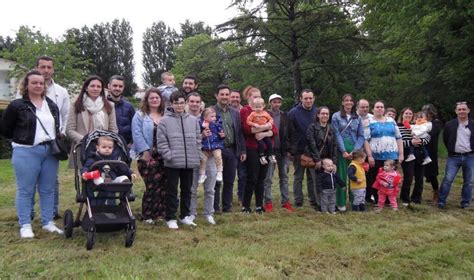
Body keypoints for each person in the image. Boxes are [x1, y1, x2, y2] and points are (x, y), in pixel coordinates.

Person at [2, 69, 63, 238]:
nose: (38, 86)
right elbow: (6, 129)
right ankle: (25, 224)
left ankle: (48, 222)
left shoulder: (51, 105)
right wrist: (22, 140)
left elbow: (56, 126)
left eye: (41, 83)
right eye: (34, 83)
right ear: (26, 85)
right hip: (26, 151)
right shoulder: (17, 105)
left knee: (48, 189)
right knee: (25, 190)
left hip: (50, 152)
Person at [26, 56, 70, 220]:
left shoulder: (61, 91)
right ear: (37, 67)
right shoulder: (25, 89)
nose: (46, 70)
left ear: (53, 69)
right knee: (29, 180)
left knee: (52, 180)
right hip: (30, 141)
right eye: (42, 67)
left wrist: (62, 133)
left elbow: (65, 115)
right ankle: (28, 213)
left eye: (49, 67)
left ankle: (52, 211)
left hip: (53, 141)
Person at [157, 91, 202, 229]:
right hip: (173, 163)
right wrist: (169, 155)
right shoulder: (164, 121)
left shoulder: (193, 120)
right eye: (176, 103)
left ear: (185, 103)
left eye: (182, 102)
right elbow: (161, 142)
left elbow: (198, 139)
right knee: (171, 190)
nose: (179, 105)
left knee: (187, 190)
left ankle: (185, 215)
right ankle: (170, 217)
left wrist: (197, 154)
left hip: (189, 162)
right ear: (171, 104)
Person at [131, 87, 167, 224]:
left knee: (164, 185)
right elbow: (137, 134)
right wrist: (145, 152)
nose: (154, 100)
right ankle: (148, 214)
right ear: (146, 99)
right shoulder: (140, 115)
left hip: (164, 154)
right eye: (151, 97)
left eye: (157, 97)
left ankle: (161, 213)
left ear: (161, 99)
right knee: (152, 185)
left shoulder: (166, 114)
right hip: (148, 155)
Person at [66, 75, 118, 168]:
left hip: (103, 149)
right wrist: (86, 140)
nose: (95, 88)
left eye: (98, 86)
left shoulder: (109, 105)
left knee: (104, 179)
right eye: (92, 86)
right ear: (86, 87)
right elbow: (70, 129)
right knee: (86, 178)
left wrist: (105, 142)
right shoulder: (75, 104)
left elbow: (113, 129)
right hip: (82, 147)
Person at [240, 86, 277, 213]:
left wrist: (264, 133)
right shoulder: (245, 111)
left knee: (262, 178)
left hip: (266, 148)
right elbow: (247, 129)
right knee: (252, 177)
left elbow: (275, 130)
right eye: (254, 96)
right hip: (252, 148)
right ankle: (245, 205)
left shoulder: (265, 112)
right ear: (248, 97)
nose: (257, 99)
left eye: (259, 96)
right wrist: (266, 127)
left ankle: (259, 205)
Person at [212, 85, 246, 213]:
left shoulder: (235, 113)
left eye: (227, 94)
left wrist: (242, 150)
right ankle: (215, 207)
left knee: (229, 179)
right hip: (217, 150)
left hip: (232, 149)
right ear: (217, 96)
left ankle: (227, 206)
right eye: (222, 94)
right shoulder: (211, 111)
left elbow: (239, 133)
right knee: (216, 180)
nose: (225, 97)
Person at [186, 93, 217, 225]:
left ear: (200, 103)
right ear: (188, 102)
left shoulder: (207, 117)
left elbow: (216, 132)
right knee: (192, 189)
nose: (194, 104)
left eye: (197, 101)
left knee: (210, 188)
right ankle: (192, 212)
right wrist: (201, 135)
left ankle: (209, 213)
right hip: (191, 157)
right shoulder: (183, 118)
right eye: (192, 101)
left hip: (208, 157)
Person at [365, 101, 404, 205]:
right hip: (376, 156)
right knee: (376, 178)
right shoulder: (368, 121)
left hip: (391, 156)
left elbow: (399, 138)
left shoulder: (391, 120)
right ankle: (377, 199)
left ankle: (389, 199)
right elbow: (366, 140)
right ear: (373, 110)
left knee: (390, 177)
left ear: (384, 109)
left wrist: (401, 154)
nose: (379, 109)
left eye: (381, 107)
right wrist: (369, 156)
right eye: (377, 107)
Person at [331, 94, 365, 211]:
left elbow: (361, 135)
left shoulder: (358, 118)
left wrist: (355, 151)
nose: (349, 102)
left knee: (354, 175)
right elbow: (337, 134)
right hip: (342, 149)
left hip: (355, 148)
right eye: (346, 100)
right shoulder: (336, 116)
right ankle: (341, 203)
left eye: (351, 100)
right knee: (341, 176)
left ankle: (355, 201)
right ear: (342, 102)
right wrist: (344, 150)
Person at [438, 102, 473, 209]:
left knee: (469, 181)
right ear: (456, 111)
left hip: (470, 156)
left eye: (464, 109)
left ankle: (465, 202)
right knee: (448, 179)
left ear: (468, 111)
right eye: (459, 109)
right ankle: (441, 201)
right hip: (454, 157)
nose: (462, 111)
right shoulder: (449, 124)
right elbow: (446, 139)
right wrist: (451, 149)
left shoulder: (473, 124)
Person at [81, 136, 135, 205]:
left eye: (110, 148)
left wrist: (130, 173)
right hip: (98, 179)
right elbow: (86, 166)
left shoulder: (115, 158)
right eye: (104, 147)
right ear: (98, 148)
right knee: (97, 178)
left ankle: (124, 182)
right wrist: (84, 173)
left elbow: (123, 168)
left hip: (112, 179)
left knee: (124, 177)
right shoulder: (93, 158)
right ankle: (103, 184)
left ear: (113, 148)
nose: (107, 149)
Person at [263, 94, 293, 213]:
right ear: (270, 103)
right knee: (268, 178)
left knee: (284, 177)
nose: (276, 104)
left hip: (283, 151)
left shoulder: (285, 116)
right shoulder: (265, 115)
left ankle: (285, 201)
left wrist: (290, 150)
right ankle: (268, 202)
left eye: (278, 102)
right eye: (274, 102)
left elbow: (290, 133)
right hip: (270, 150)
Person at [288, 89, 318, 207]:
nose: (308, 100)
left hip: (314, 150)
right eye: (306, 98)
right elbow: (289, 132)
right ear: (301, 99)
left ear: (313, 98)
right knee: (298, 176)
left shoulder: (317, 111)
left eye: (310, 98)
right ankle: (298, 199)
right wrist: (291, 150)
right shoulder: (293, 113)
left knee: (312, 177)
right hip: (298, 150)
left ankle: (313, 199)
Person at [305, 106, 338, 210]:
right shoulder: (312, 127)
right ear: (318, 115)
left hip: (328, 160)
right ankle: (319, 204)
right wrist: (317, 159)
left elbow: (334, 145)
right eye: (322, 113)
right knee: (317, 182)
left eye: (327, 114)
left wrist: (334, 162)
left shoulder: (331, 128)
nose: (325, 115)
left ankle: (329, 204)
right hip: (316, 159)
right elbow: (311, 143)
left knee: (328, 182)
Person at [397, 107, 431, 206]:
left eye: (410, 114)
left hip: (420, 152)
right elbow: (398, 142)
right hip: (407, 153)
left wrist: (421, 141)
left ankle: (416, 198)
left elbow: (428, 137)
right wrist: (410, 142)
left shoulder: (417, 125)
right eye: (406, 113)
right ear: (402, 114)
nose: (408, 115)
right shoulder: (398, 127)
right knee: (409, 177)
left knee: (420, 178)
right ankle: (405, 198)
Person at [422, 104, 443, 204]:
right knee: (420, 173)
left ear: (432, 113)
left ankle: (436, 192)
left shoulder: (436, 123)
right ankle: (418, 194)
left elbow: (431, 134)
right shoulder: (422, 121)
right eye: (425, 113)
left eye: (429, 113)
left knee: (432, 174)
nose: (427, 115)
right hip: (421, 150)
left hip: (431, 151)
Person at [246, 97, 276, 165]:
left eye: (259, 107)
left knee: (269, 143)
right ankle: (262, 156)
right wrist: (254, 124)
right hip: (258, 131)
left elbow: (271, 119)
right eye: (256, 107)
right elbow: (248, 121)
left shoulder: (265, 113)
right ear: (253, 107)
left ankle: (271, 155)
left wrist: (269, 123)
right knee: (261, 144)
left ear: (263, 106)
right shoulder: (253, 114)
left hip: (265, 131)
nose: (258, 108)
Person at [107, 75, 135, 147]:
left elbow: (135, 127)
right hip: (106, 147)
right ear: (109, 86)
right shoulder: (102, 105)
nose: (117, 88)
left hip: (125, 146)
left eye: (120, 86)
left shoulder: (129, 107)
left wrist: (131, 143)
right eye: (115, 86)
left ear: (123, 88)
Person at [198, 107, 224, 183]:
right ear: (205, 117)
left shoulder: (217, 124)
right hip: (206, 147)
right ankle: (202, 174)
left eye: (214, 116)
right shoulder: (201, 123)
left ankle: (220, 172)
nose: (214, 118)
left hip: (216, 145)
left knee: (218, 157)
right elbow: (198, 131)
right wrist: (202, 127)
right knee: (203, 159)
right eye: (212, 116)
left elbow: (222, 133)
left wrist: (222, 135)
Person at [229, 89, 246, 206]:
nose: (235, 99)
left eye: (237, 97)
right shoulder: (226, 111)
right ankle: (227, 198)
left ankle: (241, 197)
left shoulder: (244, 110)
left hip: (242, 146)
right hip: (229, 147)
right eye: (233, 97)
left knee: (243, 175)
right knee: (229, 175)